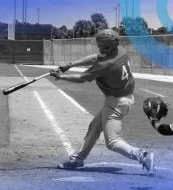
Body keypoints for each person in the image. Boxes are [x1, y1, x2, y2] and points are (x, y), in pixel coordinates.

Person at [50, 29, 154, 174]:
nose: (98, 46)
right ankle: (77, 159)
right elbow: (96, 57)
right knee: (94, 127)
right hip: (123, 98)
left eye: (100, 44)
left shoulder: (106, 65)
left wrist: (60, 77)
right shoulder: (120, 51)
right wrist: (70, 65)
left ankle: (142, 155)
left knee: (112, 142)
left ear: (106, 46)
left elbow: (82, 78)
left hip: (116, 103)